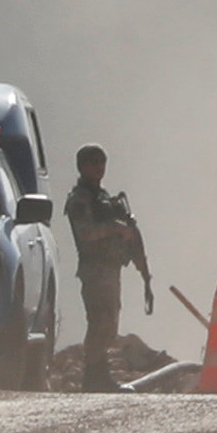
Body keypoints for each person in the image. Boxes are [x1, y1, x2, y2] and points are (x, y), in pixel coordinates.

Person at [65, 144, 153, 392]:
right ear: (82, 167)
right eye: (92, 162)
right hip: (94, 271)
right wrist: (114, 228)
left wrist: (143, 270)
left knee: (108, 323)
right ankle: (93, 377)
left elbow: (131, 236)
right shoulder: (80, 200)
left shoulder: (103, 198)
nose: (98, 167)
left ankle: (99, 375)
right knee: (99, 322)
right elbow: (85, 234)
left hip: (110, 269)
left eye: (101, 162)